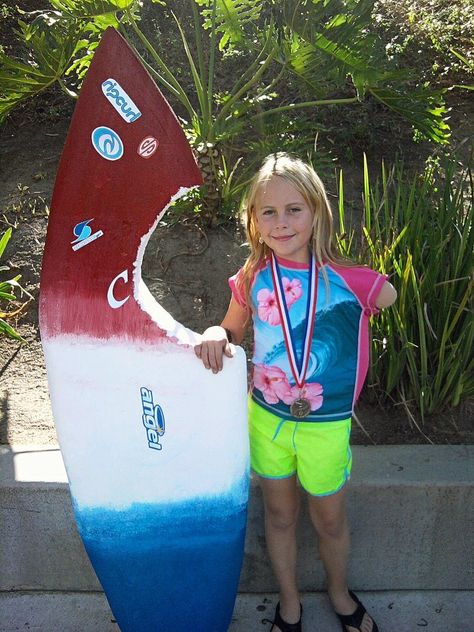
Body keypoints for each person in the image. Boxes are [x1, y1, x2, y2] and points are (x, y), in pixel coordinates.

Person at [195, 152, 397, 632]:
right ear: (254, 221)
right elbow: (231, 329)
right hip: (267, 420)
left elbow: (385, 297)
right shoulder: (251, 278)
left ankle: (339, 594)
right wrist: (215, 333)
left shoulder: (351, 281)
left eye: (294, 210)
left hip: (326, 426)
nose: (281, 222)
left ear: (316, 213)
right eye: (269, 212)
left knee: (329, 520)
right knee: (280, 516)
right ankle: (290, 603)